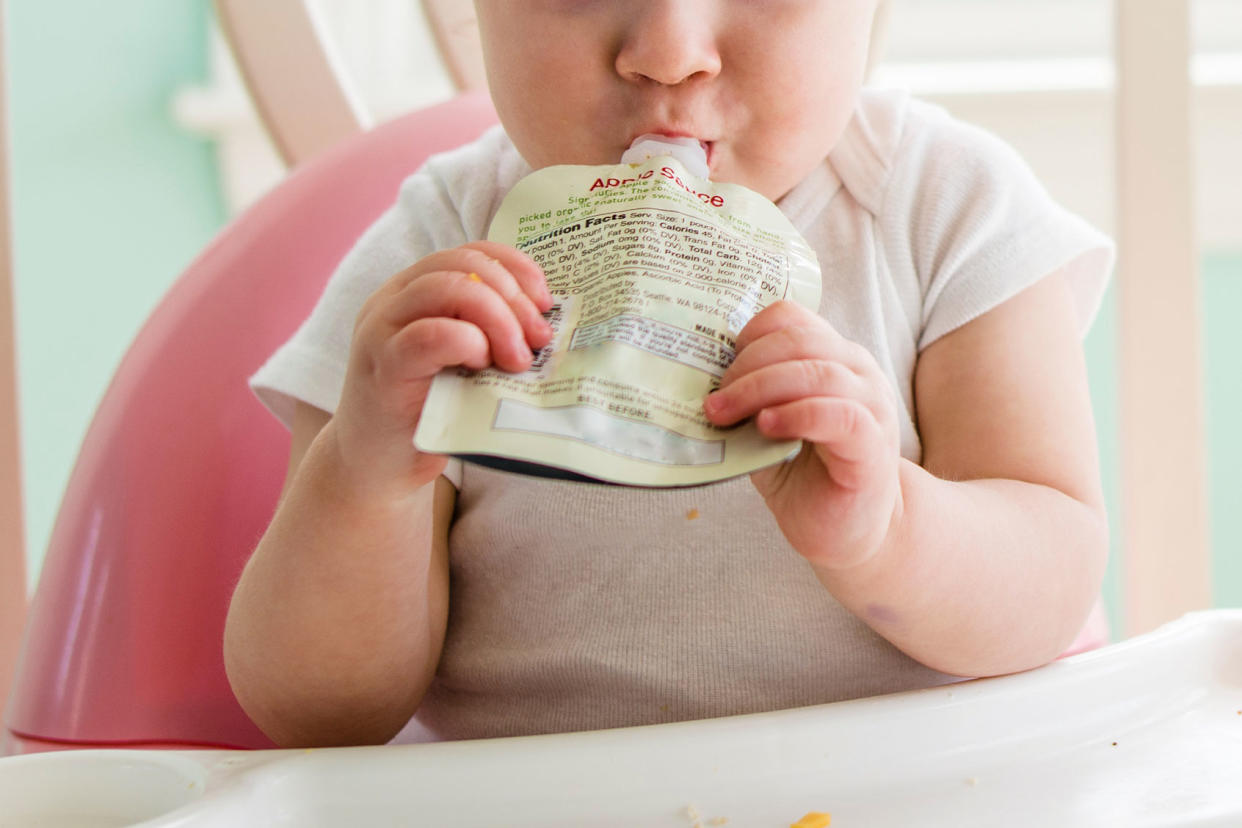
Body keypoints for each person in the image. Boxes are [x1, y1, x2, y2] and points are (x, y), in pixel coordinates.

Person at [225, 0, 1114, 748]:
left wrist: (889, 531)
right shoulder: (437, 253)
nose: (668, 54)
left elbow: (1054, 580)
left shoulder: (947, 207)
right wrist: (365, 476)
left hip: (910, 785)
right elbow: (318, 714)